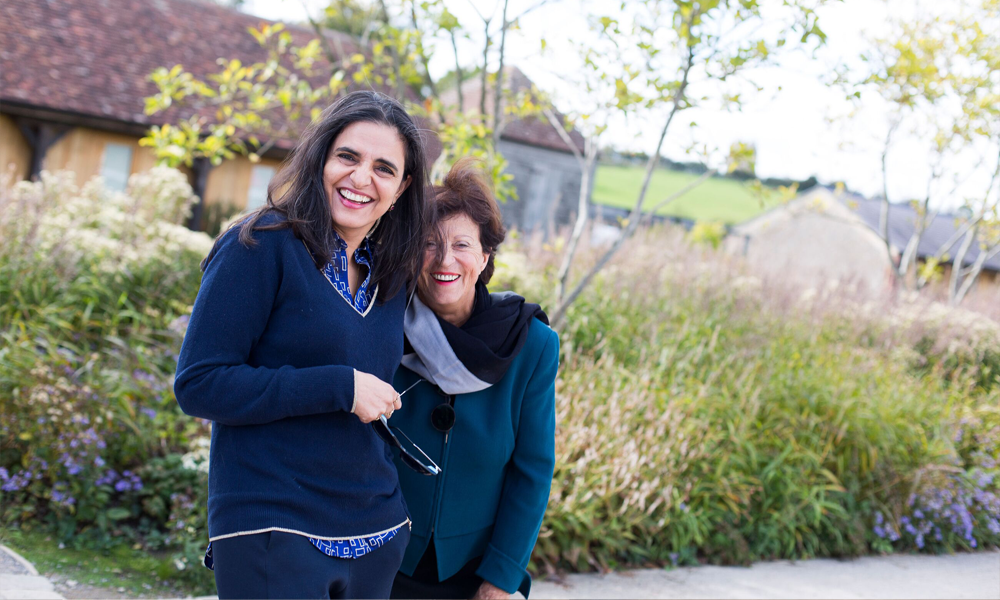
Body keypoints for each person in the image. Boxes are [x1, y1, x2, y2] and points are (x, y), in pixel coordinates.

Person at [173, 91, 428, 599]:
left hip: (375, 530)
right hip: (274, 522)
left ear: (401, 189)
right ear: (320, 160)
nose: (361, 179)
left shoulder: (395, 272)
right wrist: (338, 386)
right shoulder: (260, 244)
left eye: (384, 168)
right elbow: (200, 384)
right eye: (348, 157)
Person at [388, 159, 559, 599]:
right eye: (428, 244)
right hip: (382, 560)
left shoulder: (531, 344)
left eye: (462, 245)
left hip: (475, 569)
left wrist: (500, 579)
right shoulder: (382, 326)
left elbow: (532, 470)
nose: (445, 260)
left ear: (484, 258)